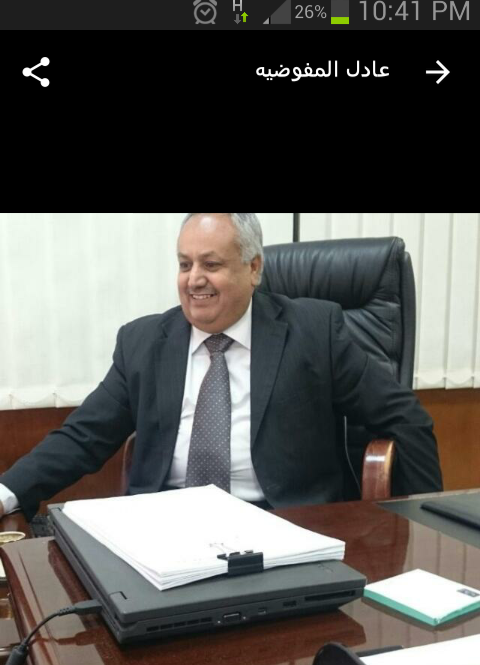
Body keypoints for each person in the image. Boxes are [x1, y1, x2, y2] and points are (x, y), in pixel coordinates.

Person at [0, 212, 442, 522]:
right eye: (185, 264)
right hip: (163, 528)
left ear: (253, 269)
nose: (194, 279)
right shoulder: (143, 343)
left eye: (211, 264)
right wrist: (6, 494)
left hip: (284, 526)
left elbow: (405, 418)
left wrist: (428, 530)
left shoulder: (314, 332)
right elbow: (82, 437)